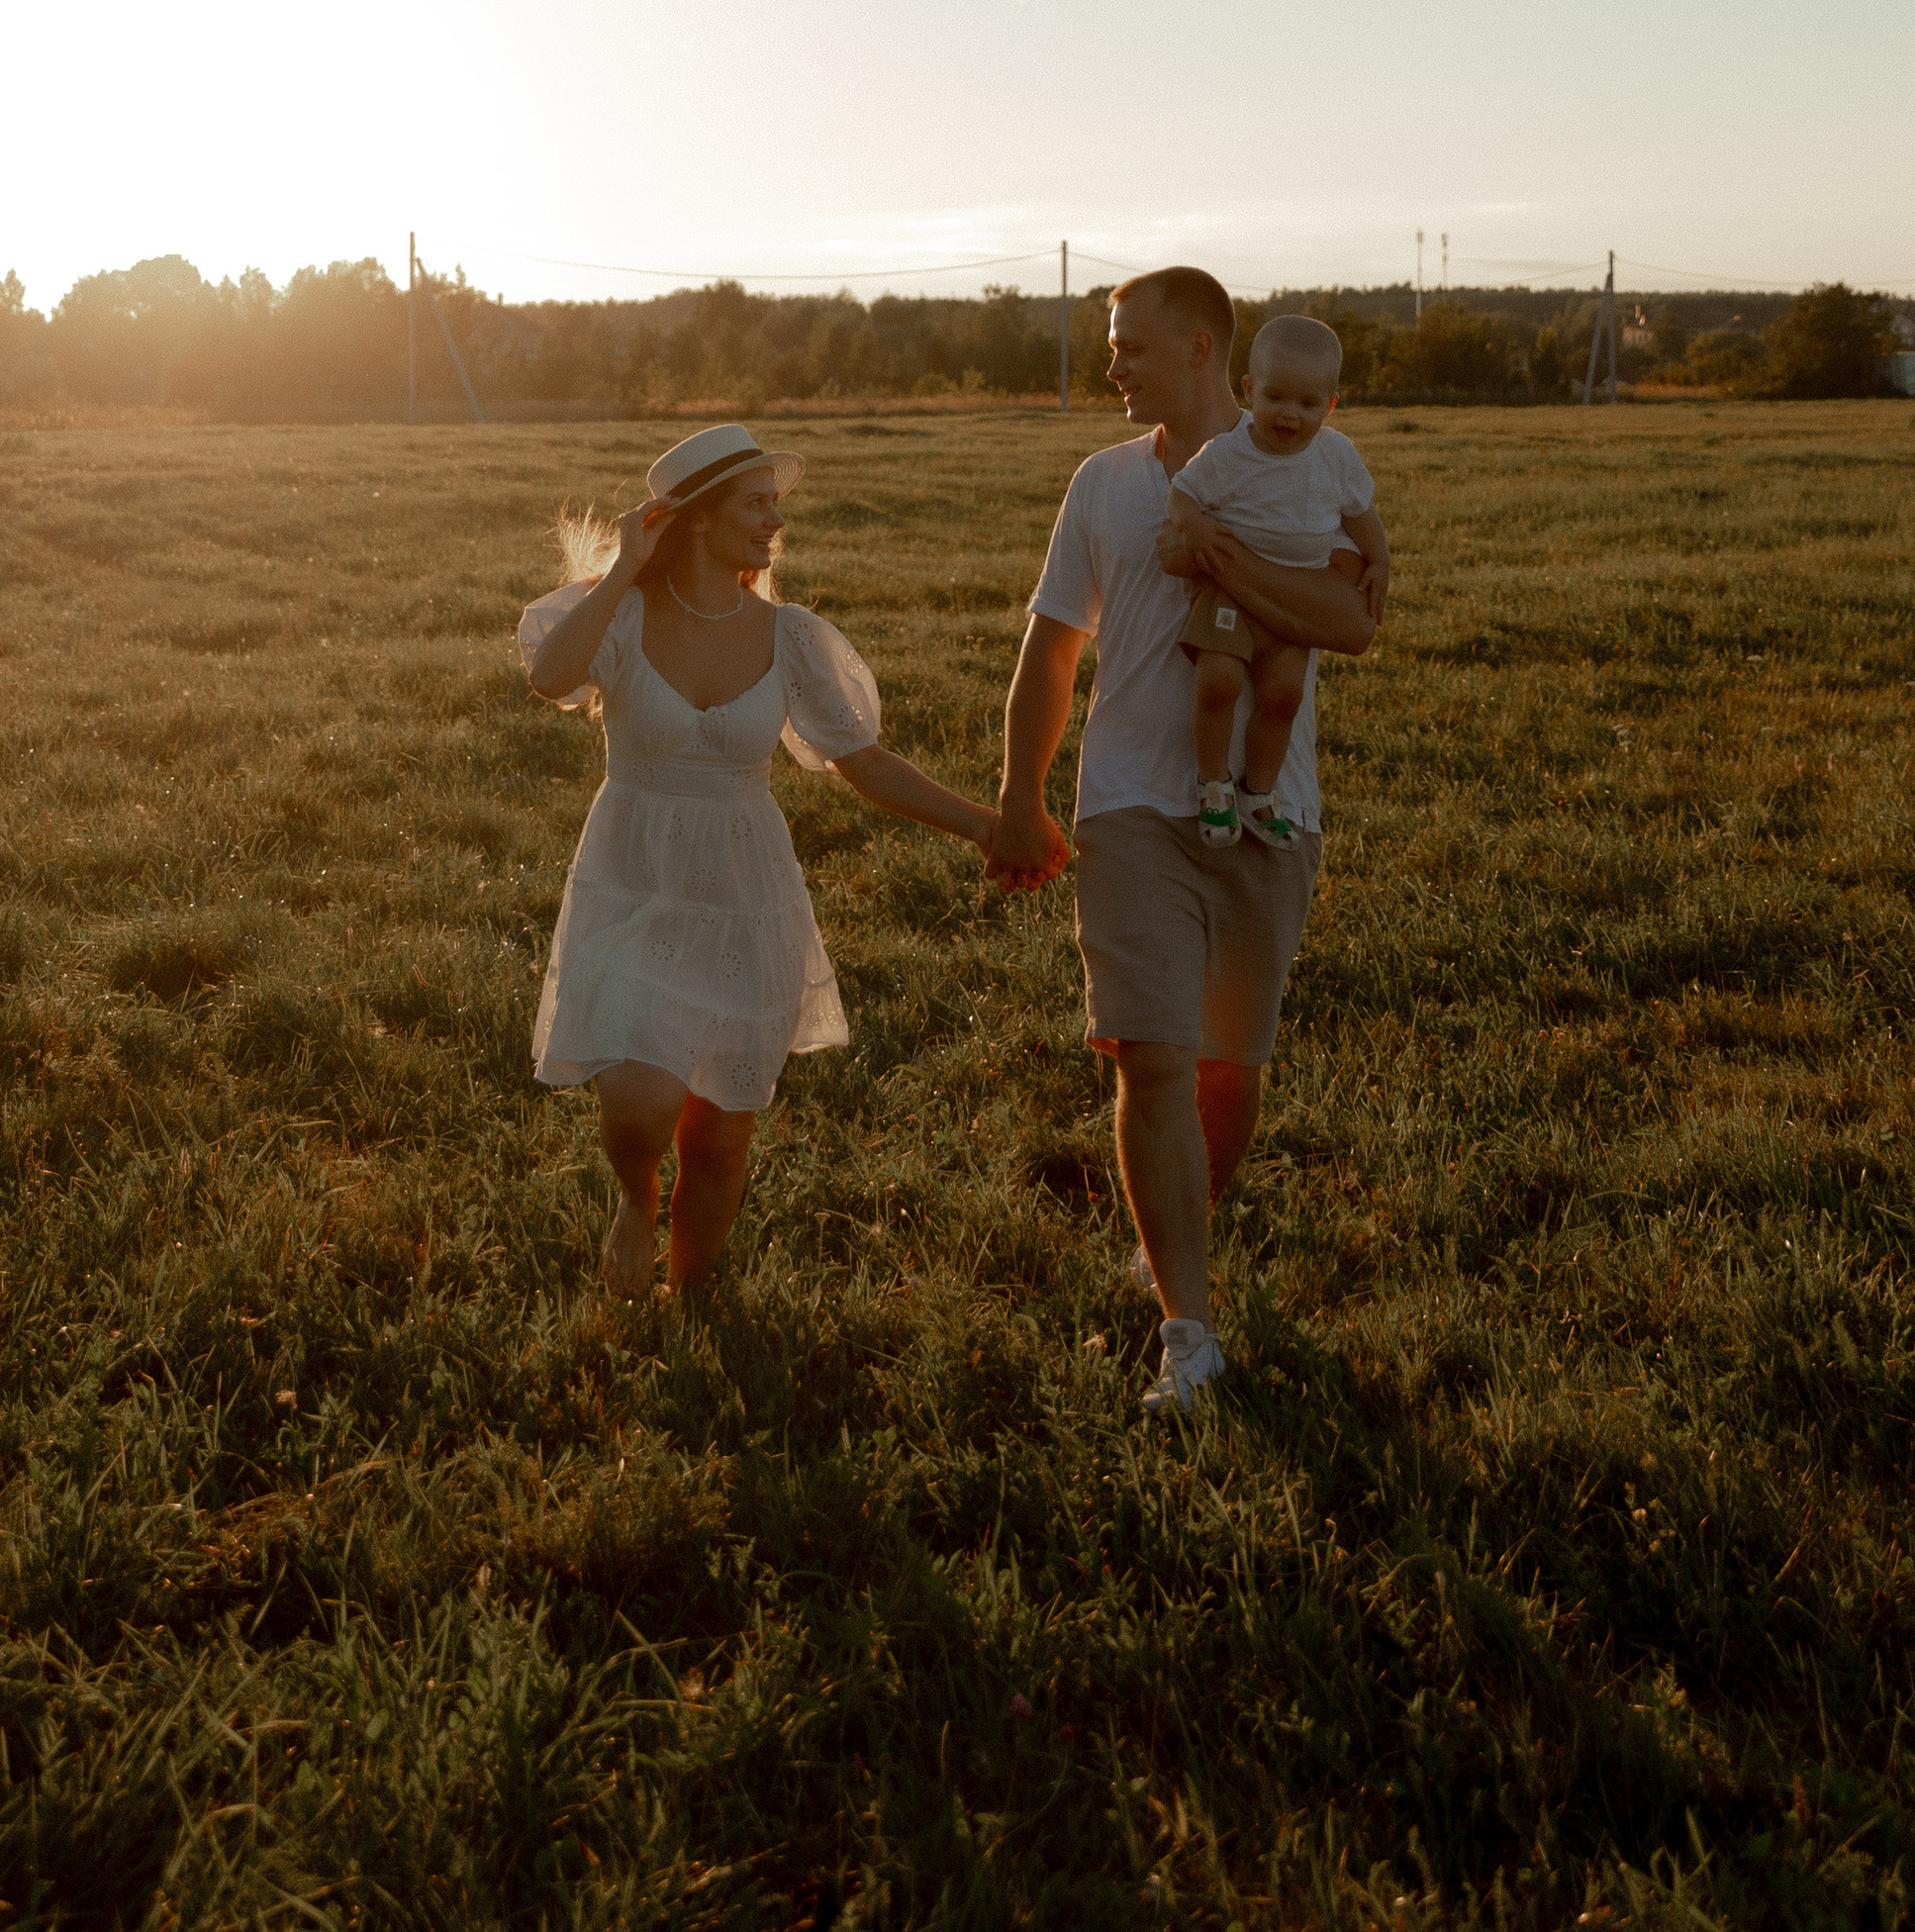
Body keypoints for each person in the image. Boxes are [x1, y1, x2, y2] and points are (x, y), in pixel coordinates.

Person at [987, 269, 1383, 1415]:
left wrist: (1219, 552)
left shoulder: (1313, 470)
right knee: (1150, 1054)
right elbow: (1052, 648)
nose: (1111, 365)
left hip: (1269, 810)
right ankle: (1189, 1335)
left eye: (1129, 346)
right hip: (1127, 807)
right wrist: (1019, 793)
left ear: (1201, 349)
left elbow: (1348, 622)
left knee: (1226, 1068)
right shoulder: (1103, 483)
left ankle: (1174, 1236)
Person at [520, 421, 999, 1298]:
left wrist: (985, 827)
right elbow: (551, 678)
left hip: (747, 895)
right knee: (641, 1103)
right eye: (755, 503)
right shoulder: (621, 614)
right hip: (634, 880)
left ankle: (692, 1299)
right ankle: (636, 1199)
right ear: (696, 517)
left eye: (775, 504)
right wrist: (624, 568)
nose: (774, 521)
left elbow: (864, 763)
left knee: (718, 1135)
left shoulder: (791, 635)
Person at [1159, 314, 1389, 854]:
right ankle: (1214, 786)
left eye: (1308, 403)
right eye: (1276, 397)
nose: (1290, 414)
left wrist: (1380, 560)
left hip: (1293, 596)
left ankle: (1258, 794)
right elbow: (1182, 493)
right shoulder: (1228, 452)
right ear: (1248, 390)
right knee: (1218, 681)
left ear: (1331, 405)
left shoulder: (1336, 455)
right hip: (1228, 592)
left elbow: (1361, 512)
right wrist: (1193, 526)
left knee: (1284, 697)